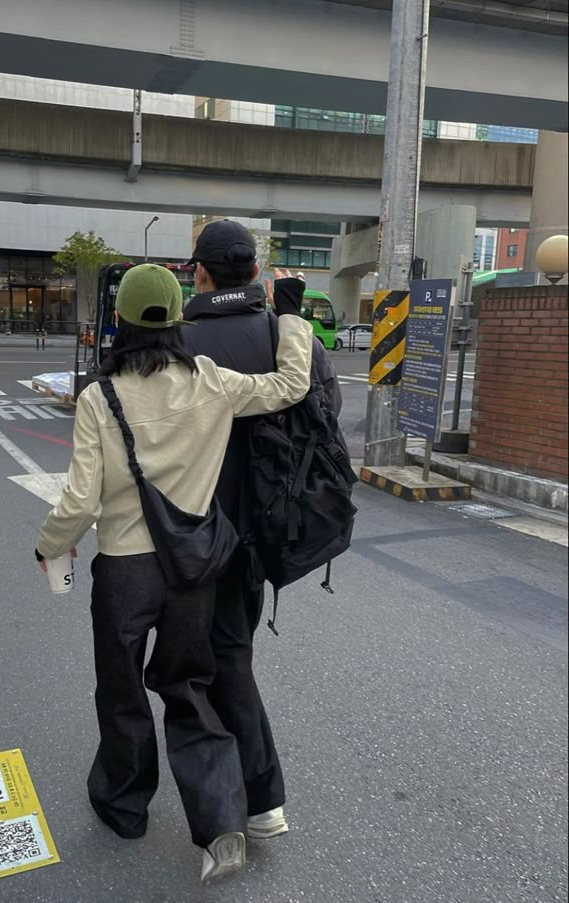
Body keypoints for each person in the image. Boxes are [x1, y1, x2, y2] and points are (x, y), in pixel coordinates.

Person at [34, 263, 313, 883]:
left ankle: (125, 804)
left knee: (122, 690)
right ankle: (220, 826)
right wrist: (291, 315)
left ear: (121, 320)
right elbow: (292, 384)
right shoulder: (211, 382)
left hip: (126, 574)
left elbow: (80, 501)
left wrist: (48, 545)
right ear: (177, 319)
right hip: (195, 568)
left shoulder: (98, 397)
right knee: (189, 688)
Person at [182, 220, 343, 841]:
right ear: (255, 273)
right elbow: (325, 423)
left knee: (198, 664)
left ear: (199, 273)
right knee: (228, 653)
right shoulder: (290, 337)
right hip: (266, 532)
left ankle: (253, 797)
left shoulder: (175, 340)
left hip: (187, 532)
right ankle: (249, 795)